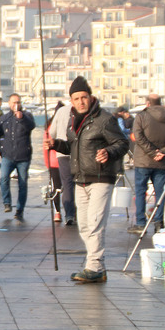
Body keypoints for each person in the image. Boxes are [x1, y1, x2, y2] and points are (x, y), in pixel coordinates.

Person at [44, 76, 129, 284]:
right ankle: (97, 266)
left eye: (84, 97)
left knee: (95, 223)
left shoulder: (104, 119)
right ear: (71, 101)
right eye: (76, 98)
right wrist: (56, 144)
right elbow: (73, 148)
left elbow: (122, 143)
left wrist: (108, 152)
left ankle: (95, 266)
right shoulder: (73, 121)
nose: (81, 102)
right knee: (83, 225)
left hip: (101, 177)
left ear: (90, 97)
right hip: (80, 179)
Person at [129, 94, 165, 234]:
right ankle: (159, 222)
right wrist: (163, 152)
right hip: (161, 162)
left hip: (143, 161)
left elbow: (138, 136)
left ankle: (140, 224)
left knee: (140, 192)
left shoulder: (141, 116)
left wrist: (151, 152)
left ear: (148, 103)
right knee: (160, 193)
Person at [0, 93, 35, 221]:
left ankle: (19, 210)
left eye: (18, 102)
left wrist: (21, 118)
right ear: (9, 104)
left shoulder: (27, 115)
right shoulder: (5, 118)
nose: (16, 104)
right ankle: (7, 202)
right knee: (4, 177)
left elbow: (31, 126)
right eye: (13, 102)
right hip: (8, 155)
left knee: (22, 183)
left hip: (23, 156)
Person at [49, 98, 77, 225]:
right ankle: (77, 212)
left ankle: (69, 214)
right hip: (77, 152)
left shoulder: (60, 111)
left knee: (67, 183)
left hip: (61, 152)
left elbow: (52, 132)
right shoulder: (83, 111)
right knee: (78, 182)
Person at [43, 103, 63, 222]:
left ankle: (57, 212)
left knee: (56, 188)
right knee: (67, 187)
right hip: (60, 161)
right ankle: (69, 212)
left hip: (53, 162)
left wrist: (47, 163)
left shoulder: (49, 126)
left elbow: (44, 147)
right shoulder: (65, 125)